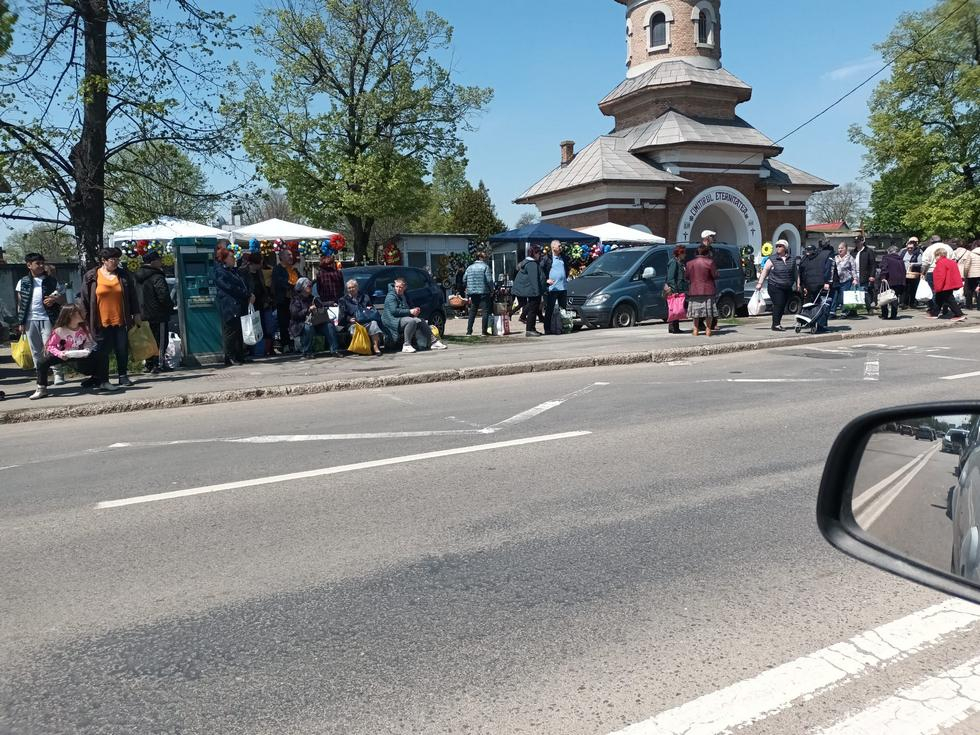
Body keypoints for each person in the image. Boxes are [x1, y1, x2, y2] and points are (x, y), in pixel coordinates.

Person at [81, 247, 141, 390]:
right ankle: (101, 378)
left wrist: (136, 313)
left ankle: (122, 376)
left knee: (122, 349)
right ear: (104, 261)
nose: (116, 262)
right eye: (113, 259)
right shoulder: (91, 276)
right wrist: (84, 318)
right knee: (101, 351)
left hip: (121, 319)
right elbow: (84, 298)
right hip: (99, 320)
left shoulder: (123, 275)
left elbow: (132, 296)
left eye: (117, 259)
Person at [15, 252, 65, 385]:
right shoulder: (23, 282)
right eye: (38, 263)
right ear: (29, 265)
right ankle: (41, 376)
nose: (41, 266)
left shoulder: (51, 281)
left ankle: (58, 373)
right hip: (30, 320)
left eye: (43, 263)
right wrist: (21, 322)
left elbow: (63, 299)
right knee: (35, 350)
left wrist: (55, 299)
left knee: (51, 347)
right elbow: (21, 304)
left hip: (48, 318)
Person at [29, 305, 99, 400]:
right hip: (63, 354)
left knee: (99, 355)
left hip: (78, 354)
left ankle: (100, 379)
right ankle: (41, 388)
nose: (83, 314)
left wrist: (87, 349)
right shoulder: (59, 330)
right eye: (80, 312)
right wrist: (60, 354)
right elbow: (50, 346)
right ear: (71, 315)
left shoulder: (84, 328)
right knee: (42, 362)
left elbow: (88, 342)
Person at [382, 277, 448, 353]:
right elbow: (394, 311)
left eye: (400, 287)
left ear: (405, 287)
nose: (398, 289)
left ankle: (434, 342)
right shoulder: (391, 296)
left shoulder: (404, 295)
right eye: (397, 286)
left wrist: (415, 310)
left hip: (402, 318)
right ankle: (406, 345)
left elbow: (410, 306)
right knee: (411, 321)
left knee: (420, 320)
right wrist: (410, 311)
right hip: (392, 320)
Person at [135, 252, 174, 373]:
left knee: (147, 340)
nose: (161, 261)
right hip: (158, 314)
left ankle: (149, 364)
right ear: (152, 262)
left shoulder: (137, 277)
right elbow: (163, 296)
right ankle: (159, 364)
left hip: (142, 314)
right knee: (160, 340)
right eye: (159, 259)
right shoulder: (157, 276)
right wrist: (169, 307)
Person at [214, 246, 252, 366]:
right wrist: (246, 294)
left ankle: (239, 355)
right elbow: (230, 288)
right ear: (224, 259)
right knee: (230, 332)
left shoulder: (233, 271)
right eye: (231, 257)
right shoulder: (220, 272)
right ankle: (230, 357)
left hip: (239, 305)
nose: (234, 259)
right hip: (229, 306)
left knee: (239, 332)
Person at [289, 277, 343, 359]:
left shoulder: (313, 298)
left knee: (329, 325)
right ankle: (307, 352)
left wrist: (331, 303)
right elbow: (295, 314)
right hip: (300, 324)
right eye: (309, 286)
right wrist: (308, 310)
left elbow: (321, 304)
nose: (311, 288)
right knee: (308, 326)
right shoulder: (296, 300)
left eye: (311, 286)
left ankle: (334, 350)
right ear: (303, 288)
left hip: (316, 321)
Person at [756, 239, 797, 331]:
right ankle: (775, 324)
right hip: (775, 285)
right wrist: (760, 283)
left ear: (785, 248)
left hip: (787, 286)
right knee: (779, 303)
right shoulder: (772, 259)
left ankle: (777, 323)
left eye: (780, 246)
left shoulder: (792, 259)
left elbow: (795, 273)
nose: (778, 248)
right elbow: (765, 271)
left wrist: (798, 284)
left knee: (783, 305)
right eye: (777, 246)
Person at [339, 279, 383, 356]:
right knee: (354, 328)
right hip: (354, 322)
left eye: (353, 287)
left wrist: (369, 309)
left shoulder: (364, 296)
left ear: (357, 287)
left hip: (366, 320)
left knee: (373, 324)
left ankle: (375, 347)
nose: (351, 289)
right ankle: (360, 347)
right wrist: (349, 319)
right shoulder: (343, 300)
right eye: (349, 288)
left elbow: (371, 308)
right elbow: (342, 315)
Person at [511, 244, 547, 336]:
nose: (540, 255)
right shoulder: (532, 264)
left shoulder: (529, 263)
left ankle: (532, 328)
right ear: (535, 253)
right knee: (532, 310)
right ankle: (529, 330)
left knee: (533, 310)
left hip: (530, 290)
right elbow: (534, 279)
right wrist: (537, 292)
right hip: (532, 291)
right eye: (539, 253)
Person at [685, 243, 719, 337]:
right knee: (708, 312)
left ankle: (695, 330)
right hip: (708, 290)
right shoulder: (710, 262)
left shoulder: (689, 263)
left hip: (694, 290)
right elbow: (715, 275)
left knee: (696, 313)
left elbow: (687, 276)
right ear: (707, 253)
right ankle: (708, 330)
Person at [272, 249, 299, 353]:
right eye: (288, 255)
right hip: (283, 300)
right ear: (282, 257)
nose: (291, 256)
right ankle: (286, 345)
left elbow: (300, 279)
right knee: (284, 323)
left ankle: (295, 344)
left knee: (294, 322)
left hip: (294, 301)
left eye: (291, 254)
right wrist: (292, 286)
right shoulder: (277, 269)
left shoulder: (293, 269)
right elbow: (281, 283)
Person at [929, 249, 967, 322]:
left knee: (949, 300)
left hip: (945, 285)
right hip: (950, 283)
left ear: (938, 255)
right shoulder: (951, 262)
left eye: (936, 256)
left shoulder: (941, 263)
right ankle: (934, 313)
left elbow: (940, 276)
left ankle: (959, 314)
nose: (935, 258)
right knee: (938, 299)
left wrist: (937, 287)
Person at [920, 237, 953, 315]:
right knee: (945, 291)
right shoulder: (948, 247)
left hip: (932, 271)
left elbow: (925, 263)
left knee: (934, 291)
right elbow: (953, 259)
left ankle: (934, 309)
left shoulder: (929, 249)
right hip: (946, 271)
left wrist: (923, 273)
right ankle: (944, 308)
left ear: (931, 241)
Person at [463, 252, 493, 336]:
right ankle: (484, 331)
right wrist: (492, 290)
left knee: (472, 312)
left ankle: (469, 331)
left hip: (472, 293)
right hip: (484, 292)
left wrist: (467, 287)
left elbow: (464, 279)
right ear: (480, 258)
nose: (486, 259)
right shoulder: (485, 267)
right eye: (485, 257)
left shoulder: (469, 268)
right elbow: (489, 280)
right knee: (485, 312)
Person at [541, 240, 569, 335]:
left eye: (561, 246)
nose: (561, 247)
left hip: (563, 288)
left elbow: (567, 269)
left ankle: (562, 327)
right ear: (553, 247)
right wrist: (546, 280)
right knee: (549, 310)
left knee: (563, 310)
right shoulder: (547, 258)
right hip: (552, 289)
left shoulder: (563, 257)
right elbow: (540, 271)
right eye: (559, 246)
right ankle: (547, 329)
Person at [875, 245, 907, 320]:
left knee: (885, 296)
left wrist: (883, 277)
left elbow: (884, 268)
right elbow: (904, 270)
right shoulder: (900, 259)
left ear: (888, 251)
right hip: (899, 281)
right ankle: (893, 315)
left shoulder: (886, 258)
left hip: (889, 280)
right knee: (894, 297)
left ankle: (884, 315)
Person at [664, 245, 689, 334]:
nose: (685, 255)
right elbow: (671, 278)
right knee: (675, 308)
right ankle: (673, 327)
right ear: (680, 253)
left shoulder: (680, 263)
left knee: (677, 307)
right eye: (684, 253)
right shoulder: (673, 262)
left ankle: (674, 327)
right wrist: (675, 290)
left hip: (680, 288)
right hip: (675, 289)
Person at [830, 243, 857, 318]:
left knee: (844, 297)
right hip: (836, 280)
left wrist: (855, 279)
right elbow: (832, 268)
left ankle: (844, 312)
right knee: (834, 296)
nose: (840, 250)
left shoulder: (850, 257)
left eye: (842, 248)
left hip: (846, 280)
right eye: (839, 248)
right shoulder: (835, 257)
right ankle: (832, 312)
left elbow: (853, 269)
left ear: (846, 249)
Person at [852, 236, 876, 315]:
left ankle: (869, 309)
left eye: (858, 242)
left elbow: (873, 265)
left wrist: (872, 275)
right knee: (854, 293)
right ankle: (854, 310)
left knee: (865, 292)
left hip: (864, 275)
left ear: (862, 241)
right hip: (854, 275)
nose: (857, 243)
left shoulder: (868, 251)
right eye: (855, 242)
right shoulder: (853, 252)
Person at [901, 237, 922, 309]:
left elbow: (920, 263)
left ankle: (912, 303)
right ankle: (903, 303)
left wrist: (913, 264)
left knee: (913, 288)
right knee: (904, 288)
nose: (909, 249)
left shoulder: (918, 253)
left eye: (911, 248)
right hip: (904, 273)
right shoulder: (903, 252)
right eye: (908, 248)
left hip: (914, 274)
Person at [963, 240, 980, 311]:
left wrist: (965, 274)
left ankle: (969, 305)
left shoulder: (971, 254)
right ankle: (979, 306)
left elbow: (966, 266)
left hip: (972, 274)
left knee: (970, 290)